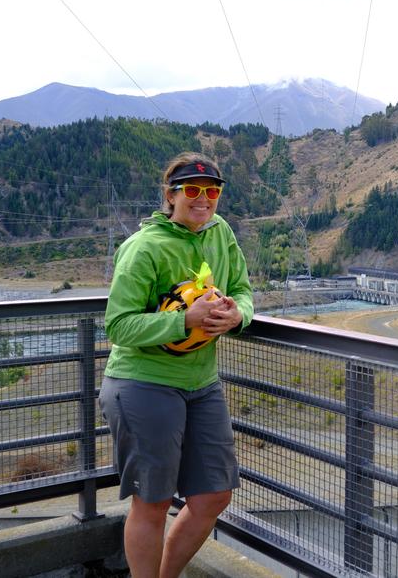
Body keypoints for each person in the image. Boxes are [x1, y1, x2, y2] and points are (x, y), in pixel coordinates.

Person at [99, 153, 253, 578]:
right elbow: (119, 324)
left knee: (214, 496)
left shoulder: (221, 233)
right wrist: (183, 319)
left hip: (202, 383)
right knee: (153, 502)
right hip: (142, 383)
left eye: (212, 191)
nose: (203, 199)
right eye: (192, 190)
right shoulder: (143, 247)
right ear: (170, 195)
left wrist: (239, 315)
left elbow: (242, 289)